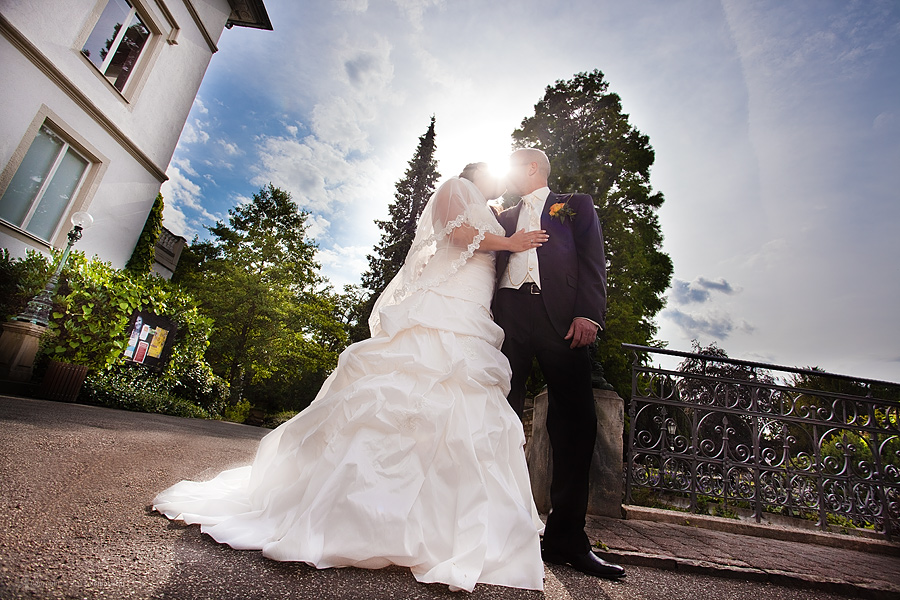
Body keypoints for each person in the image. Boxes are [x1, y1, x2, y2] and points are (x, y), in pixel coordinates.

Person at [153, 163, 551, 592]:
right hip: (444, 303)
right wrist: (509, 240)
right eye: (493, 173)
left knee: (467, 403)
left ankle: (452, 518)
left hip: (473, 308)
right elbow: (457, 236)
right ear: (478, 173)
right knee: (408, 385)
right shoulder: (456, 188)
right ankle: (364, 515)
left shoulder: (491, 208)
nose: (499, 181)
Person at [492, 148, 626, 580]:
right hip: (508, 318)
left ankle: (566, 539)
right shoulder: (503, 215)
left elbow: (593, 259)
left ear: (532, 168)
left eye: (512, 165)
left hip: (562, 321)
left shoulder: (574, 205)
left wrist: (589, 312)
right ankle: (494, 530)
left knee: (575, 425)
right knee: (496, 419)